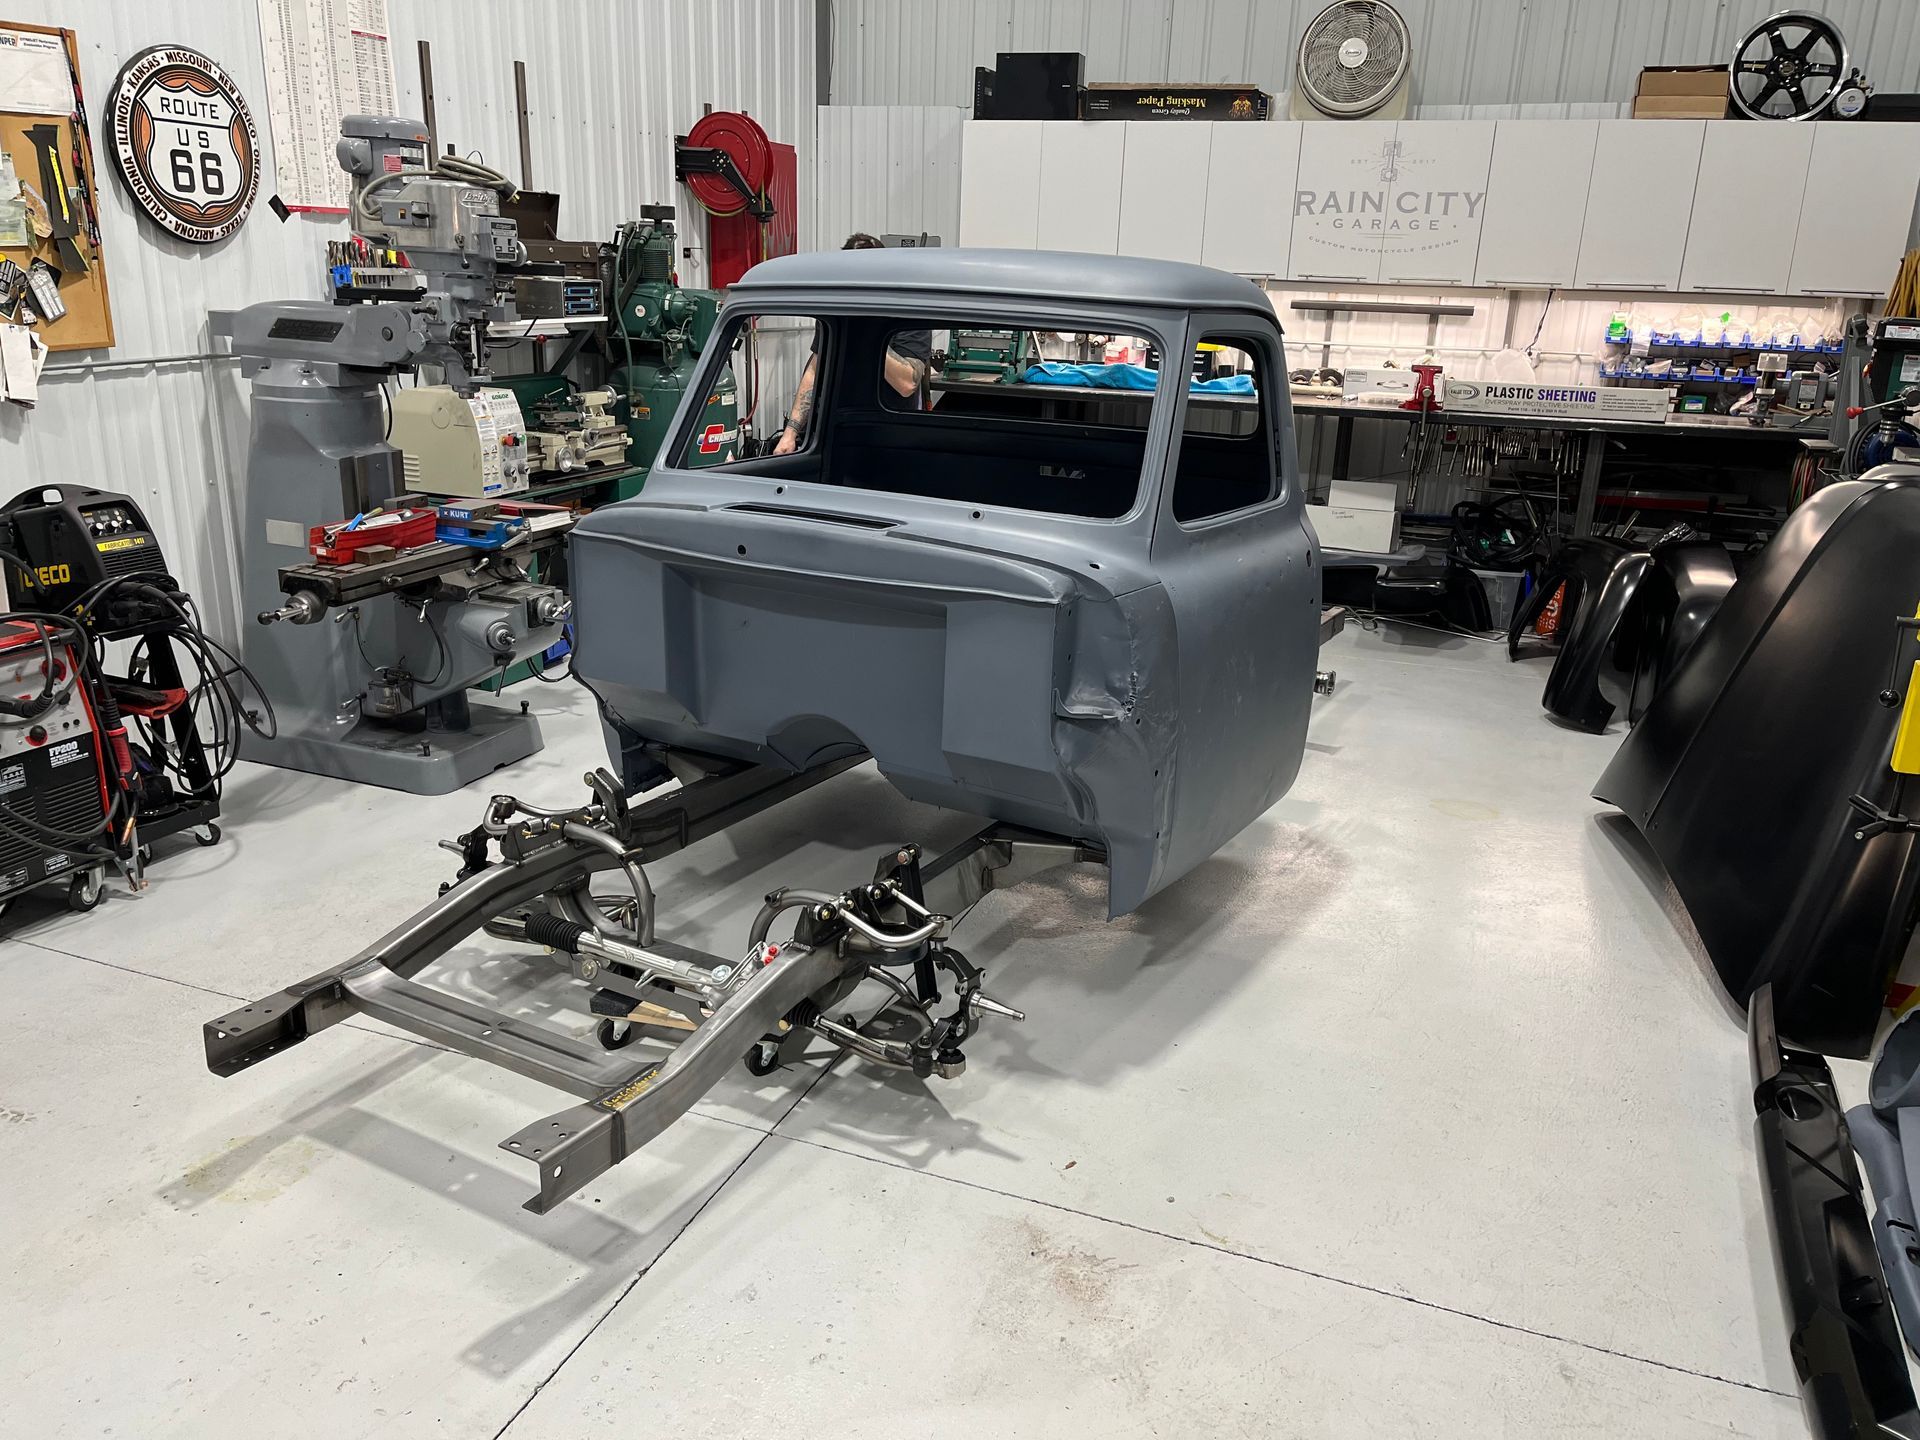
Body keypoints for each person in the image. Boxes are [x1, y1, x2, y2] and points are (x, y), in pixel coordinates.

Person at [772, 233, 932, 454]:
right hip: (837, 433)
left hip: (889, 440)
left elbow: (907, 383)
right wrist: (791, 433)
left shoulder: (911, 312)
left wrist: (863, 328)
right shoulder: (835, 311)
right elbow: (815, 369)